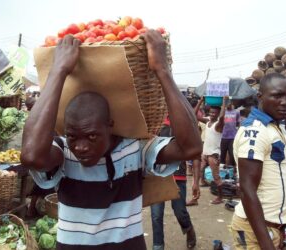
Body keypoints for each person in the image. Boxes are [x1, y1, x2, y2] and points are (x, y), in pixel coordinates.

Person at [21, 31, 202, 249]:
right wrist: (58, 71)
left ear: (110, 126)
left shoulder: (136, 150)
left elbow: (191, 147)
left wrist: (162, 70)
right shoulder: (63, 154)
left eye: (92, 136)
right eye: (72, 136)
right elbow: (30, 155)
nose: (80, 147)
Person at [231, 73, 286, 250]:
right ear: (260, 97)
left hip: (274, 227)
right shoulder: (255, 131)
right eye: (277, 95)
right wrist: (266, 244)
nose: (285, 101)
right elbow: (247, 189)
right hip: (257, 231)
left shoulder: (277, 126)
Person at [150, 117, 199, 250]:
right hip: (158, 177)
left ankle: (189, 229)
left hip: (178, 177)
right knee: (156, 215)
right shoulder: (155, 124)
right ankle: (158, 246)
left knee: (180, 211)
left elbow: (195, 156)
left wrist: (196, 182)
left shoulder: (185, 126)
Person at [195, 96, 227, 204]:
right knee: (199, 171)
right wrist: (200, 101)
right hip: (205, 153)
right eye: (211, 112)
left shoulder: (219, 124)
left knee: (216, 177)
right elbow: (194, 115)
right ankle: (197, 193)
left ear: (218, 114)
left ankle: (220, 197)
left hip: (213, 155)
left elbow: (222, 117)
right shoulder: (208, 121)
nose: (212, 114)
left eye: (214, 113)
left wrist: (224, 103)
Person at [220, 100, 240, 174]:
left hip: (232, 137)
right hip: (223, 136)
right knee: (222, 155)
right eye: (226, 103)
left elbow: (238, 123)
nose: (228, 104)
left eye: (229, 103)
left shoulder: (236, 112)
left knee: (232, 155)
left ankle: (233, 172)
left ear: (232, 103)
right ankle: (222, 172)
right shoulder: (223, 112)